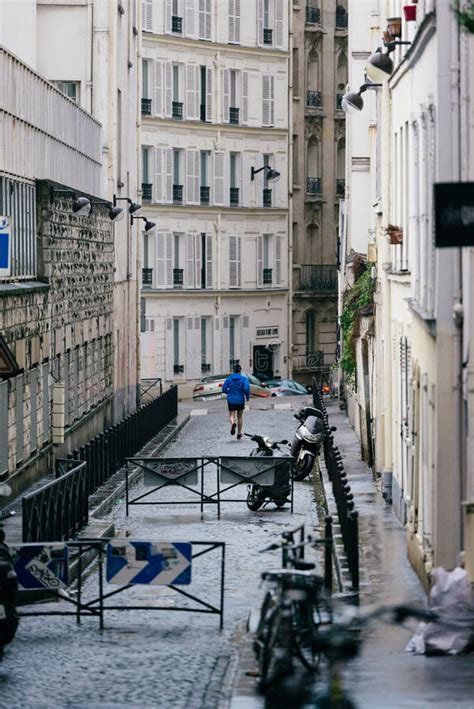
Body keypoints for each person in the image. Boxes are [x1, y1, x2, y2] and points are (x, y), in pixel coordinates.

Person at [222, 364, 250, 439]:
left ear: (233, 370)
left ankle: (233, 423)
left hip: (231, 399)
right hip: (240, 399)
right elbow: (246, 388)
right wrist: (247, 397)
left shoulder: (229, 378)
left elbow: (224, 389)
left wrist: (229, 392)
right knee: (240, 416)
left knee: (231, 415)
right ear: (240, 370)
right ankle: (239, 433)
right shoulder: (244, 379)